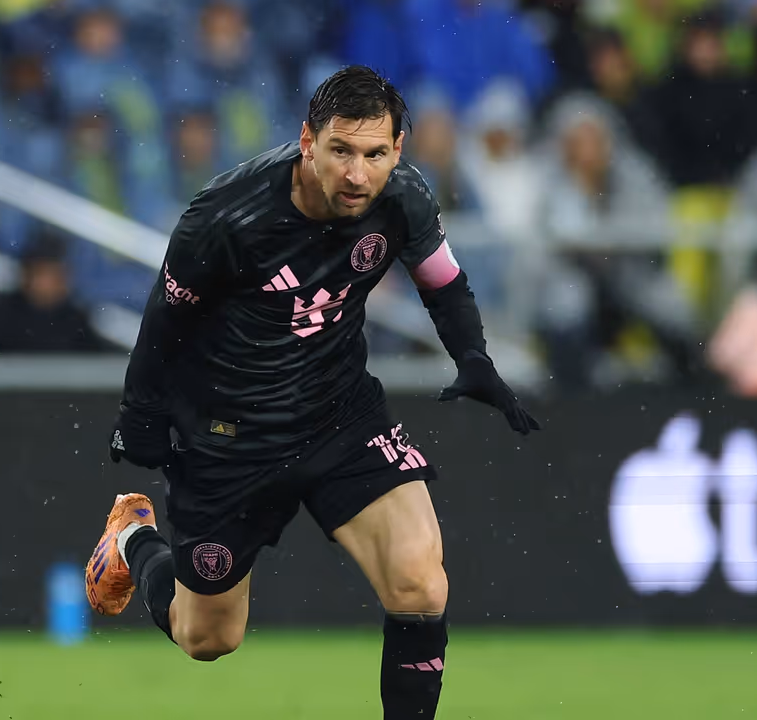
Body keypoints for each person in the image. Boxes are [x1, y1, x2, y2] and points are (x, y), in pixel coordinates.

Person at [85, 65, 538, 719]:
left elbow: (442, 279)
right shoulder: (225, 216)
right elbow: (165, 317)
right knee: (207, 637)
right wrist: (141, 413)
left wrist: (472, 355)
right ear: (307, 142)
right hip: (229, 436)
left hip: (338, 414)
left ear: (398, 151)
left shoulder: (404, 198)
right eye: (342, 152)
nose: (358, 174)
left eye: (376, 154)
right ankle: (133, 539)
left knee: (418, 580)